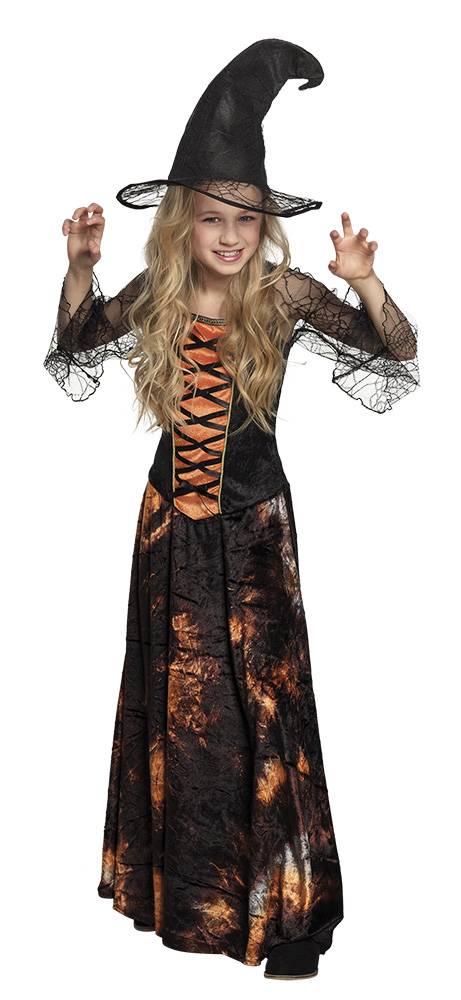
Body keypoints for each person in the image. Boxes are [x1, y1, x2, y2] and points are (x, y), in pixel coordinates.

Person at [43, 38, 419, 979]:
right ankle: (191, 901)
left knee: (265, 703)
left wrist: (364, 281)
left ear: (263, 225)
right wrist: (81, 269)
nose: (229, 236)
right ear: (184, 222)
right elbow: (76, 348)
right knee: (182, 703)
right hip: (169, 528)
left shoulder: (283, 294)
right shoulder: (161, 294)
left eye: (245, 219)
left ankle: (289, 917)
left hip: (253, 531)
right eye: (212, 217)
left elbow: (394, 352)